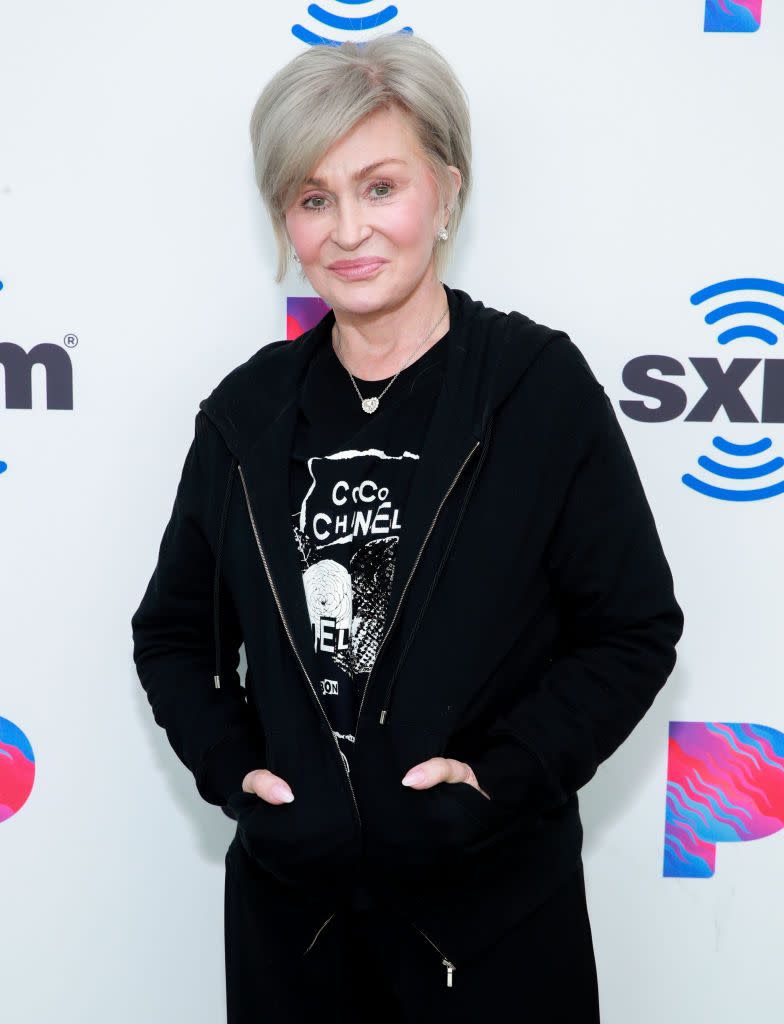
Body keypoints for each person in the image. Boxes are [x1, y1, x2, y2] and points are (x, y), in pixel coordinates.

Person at [130, 32, 684, 1023]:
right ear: (284, 221)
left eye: (379, 187)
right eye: (312, 197)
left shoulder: (533, 389)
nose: (348, 230)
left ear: (445, 191)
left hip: (492, 931)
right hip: (294, 936)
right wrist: (238, 772)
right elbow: (174, 632)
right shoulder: (245, 415)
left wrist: (496, 780)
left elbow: (631, 627)